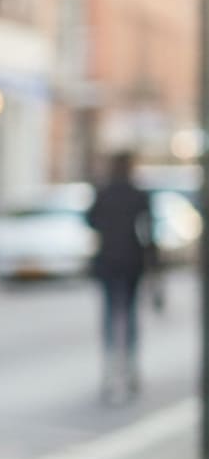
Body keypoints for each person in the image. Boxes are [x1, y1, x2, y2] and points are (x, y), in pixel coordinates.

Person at [85, 151, 155, 405]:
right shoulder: (138, 194)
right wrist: (154, 268)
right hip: (131, 261)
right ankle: (130, 367)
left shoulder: (103, 193)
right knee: (130, 315)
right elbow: (149, 232)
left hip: (108, 261)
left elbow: (90, 221)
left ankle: (110, 368)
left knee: (110, 315)